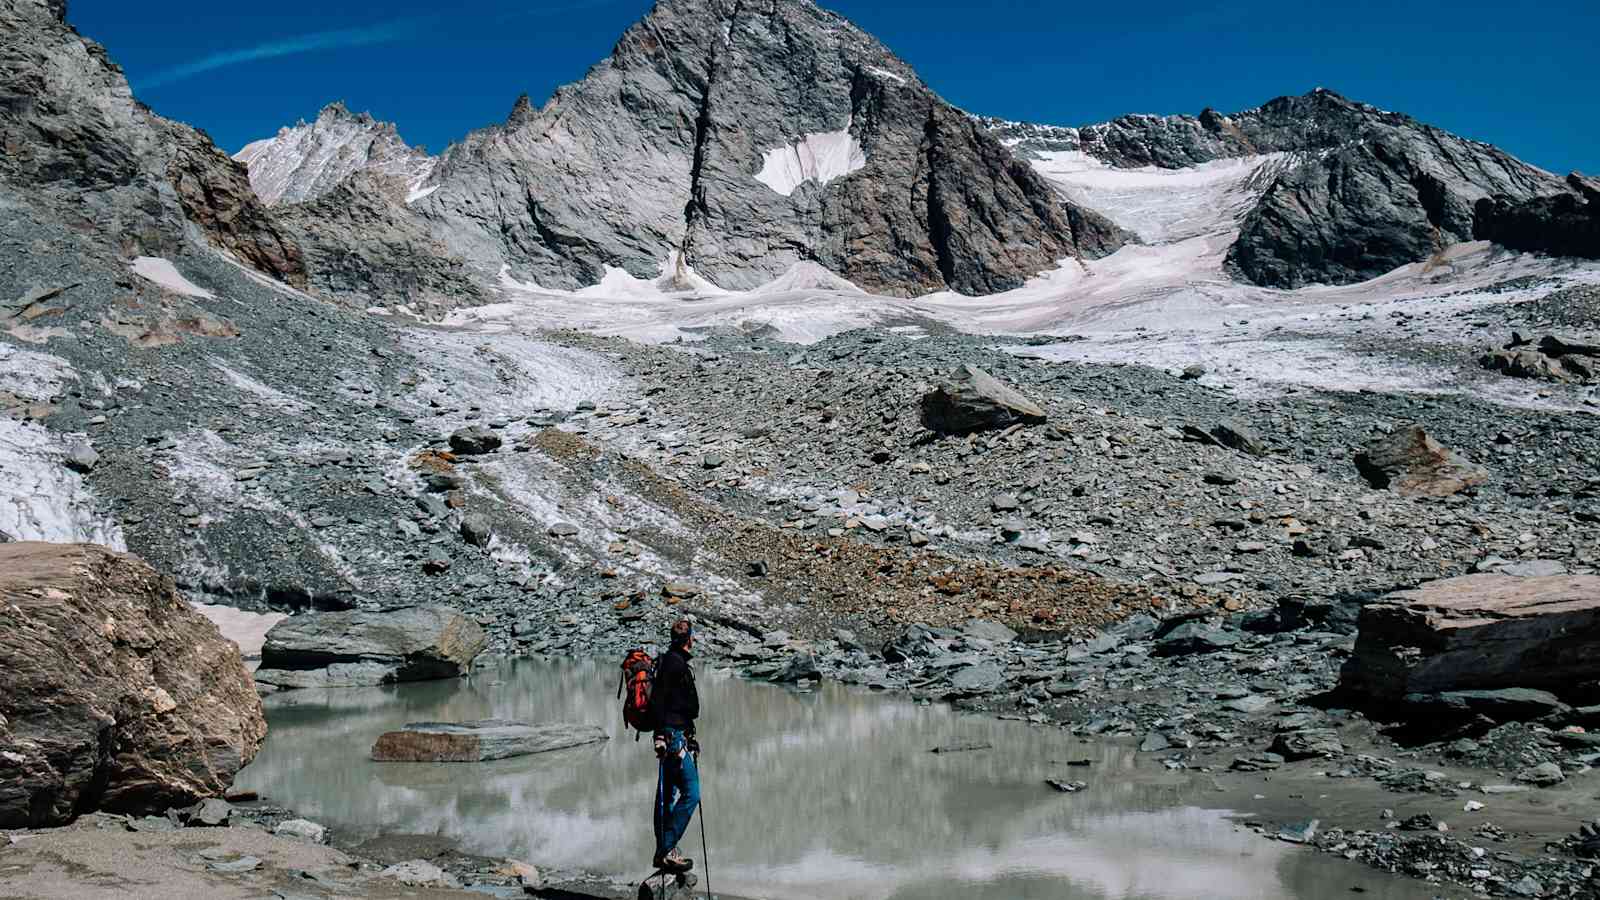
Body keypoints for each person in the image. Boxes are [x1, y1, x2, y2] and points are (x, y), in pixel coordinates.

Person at [650, 619, 701, 873]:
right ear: (689, 639)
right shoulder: (673, 663)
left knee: (667, 795)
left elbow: (674, 703)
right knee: (692, 792)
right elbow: (659, 699)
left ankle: (665, 849)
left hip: (675, 735)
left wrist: (689, 734)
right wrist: (661, 735)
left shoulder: (671, 661)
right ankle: (666, 848)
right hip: (672, 738)